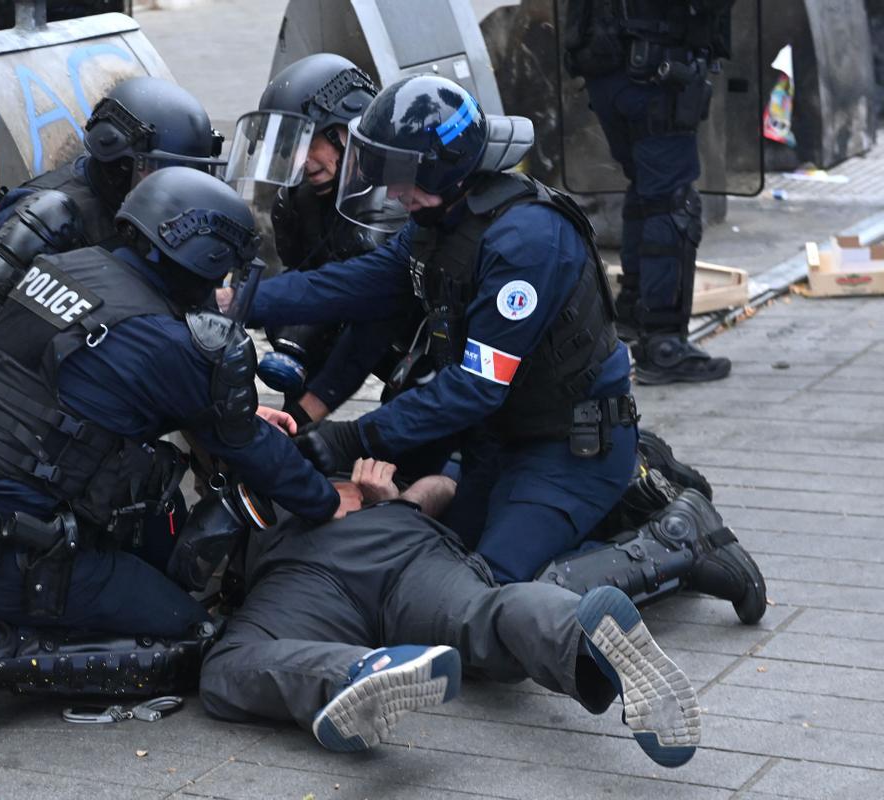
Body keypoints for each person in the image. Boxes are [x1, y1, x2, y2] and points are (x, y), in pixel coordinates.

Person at [218, 75, 764, 621]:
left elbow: (474, 387)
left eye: (402, 174)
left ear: (440, 166)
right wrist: (234, 300)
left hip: (569, 448)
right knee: (440, 563)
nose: (392, 190)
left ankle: (679, 541)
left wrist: (352, 437)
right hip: (500, 440)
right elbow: (348, 286)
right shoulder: (439, 220)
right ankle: (605, 508)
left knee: (490, 599)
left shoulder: (526, 242)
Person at [0, 168, 352, 733]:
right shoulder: (175, 344)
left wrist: (220, 412)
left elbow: (85, 389)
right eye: (224, 267)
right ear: (201, 255)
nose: (225, 282)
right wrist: (324, 500)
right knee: (190, 635)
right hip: (12, 556)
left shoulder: (63, 270)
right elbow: (250, 450)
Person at [0, 76, 228, 596]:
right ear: (119, 161)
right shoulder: (49, 219)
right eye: (161, 172)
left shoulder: (152, 217)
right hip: (28, 410)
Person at [200, 458, 701, 768]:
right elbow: (442, 485)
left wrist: (394, 499)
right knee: (484, 613)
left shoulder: (303, 460)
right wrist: (400, 502)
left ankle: (355, 674)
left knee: (228, 666)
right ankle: (578, 631)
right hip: (367, 555)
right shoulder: (310, 454)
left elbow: (442, 485)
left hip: (324, 568)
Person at [224, 53, 413, 427]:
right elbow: (306, 289)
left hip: (424, 349)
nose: (301, 160)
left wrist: (307, 419)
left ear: (350, 129)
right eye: (289, 146)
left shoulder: (394, 204)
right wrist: (291, 421)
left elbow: (366, 333)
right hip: (352, 333)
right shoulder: (298, 203)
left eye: (309, 142)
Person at [563, 0, 735, 384]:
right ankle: (664, 342)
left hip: (610, 72)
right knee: (671, 202)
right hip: (653, 71)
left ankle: (634, 313)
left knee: (647, 192)